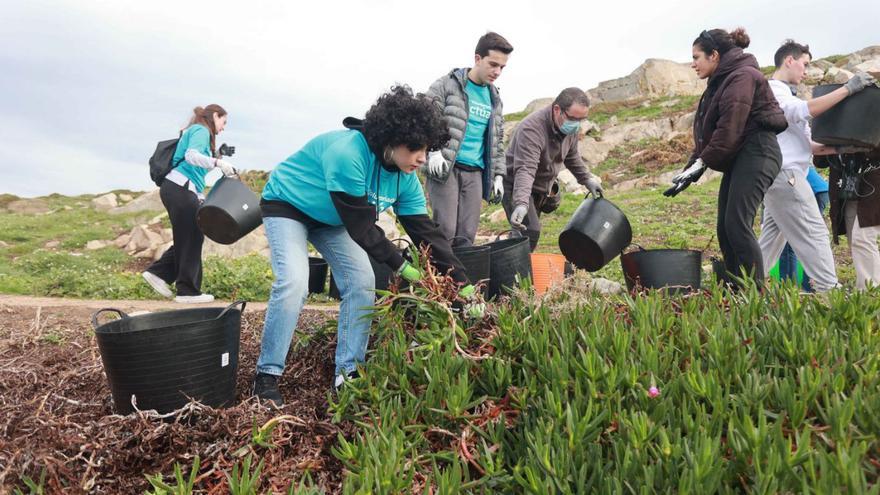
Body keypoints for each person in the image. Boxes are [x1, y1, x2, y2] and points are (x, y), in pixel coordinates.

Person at [253, 86, 482, 406]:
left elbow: (427, 234)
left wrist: (463, 284)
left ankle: (347, 375)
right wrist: (403, 267)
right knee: (294, 282)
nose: (421, 158)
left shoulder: (405, 177)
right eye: (416, 147)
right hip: (288, 205)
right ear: (392, 138)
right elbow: (362, 227)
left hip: (332, 220)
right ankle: (266, 376)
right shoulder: (348, 154)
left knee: (362, 282)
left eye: (427, 149)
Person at [669, 28, 788, 287]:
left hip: (758, 152)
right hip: (741, 157)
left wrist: (702, 163)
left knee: (737, 224)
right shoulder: (722, 81)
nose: (692, 64)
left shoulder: (742, 76)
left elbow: (730, 128)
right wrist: (692, 168)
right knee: (725, 228)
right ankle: (738, 290)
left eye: (696, 57)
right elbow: (711, 135)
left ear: (714, 55)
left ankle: (753, 295)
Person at [757, 39, 876, 292]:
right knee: (815, 233)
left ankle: (743, 289)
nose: (806, 71)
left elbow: (809, 145)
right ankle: (829, 291)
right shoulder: (773, 89)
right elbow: (801, 111)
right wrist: (848, 89)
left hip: (778, 176)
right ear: (789, 60)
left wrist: (847, 147)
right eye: (805, 64)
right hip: (787, 176)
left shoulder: (783, 93)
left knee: (770, 241)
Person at [142, 105, 238, 303]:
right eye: (223, 121)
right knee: (192, 236)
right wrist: (219, 163)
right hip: (179, 187)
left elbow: (196, 170)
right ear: (214, 116)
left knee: (191, 235)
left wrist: (218, 155)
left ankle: (159, 274)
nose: (223, 128)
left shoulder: (200, 132)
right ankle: (187, 291)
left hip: (181, 188)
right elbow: (191, 156)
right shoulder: (201, 130)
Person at [425, 32, 512, 247]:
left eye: (502, 67)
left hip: (476, 172)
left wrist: (498, 176)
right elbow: (425, 119)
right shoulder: (446, 85)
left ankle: (457, 280)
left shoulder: (495, 99)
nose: (497, 71)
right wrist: (433, 151)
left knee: (466, 234)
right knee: (445, 229)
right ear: (477, 59)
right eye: (493, 64)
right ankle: (434, 279)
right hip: (446, 167)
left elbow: (497, 140)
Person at [502, 87, 603, 252]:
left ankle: (517, 266)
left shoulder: (570, 127)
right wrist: (520, 202)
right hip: (517, 183)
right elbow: (526, 169)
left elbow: (572, 157)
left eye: (582, 120)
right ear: (557, 109)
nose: (576, 125)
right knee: (529, 230)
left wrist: (587, 179)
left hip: (541, 185)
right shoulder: (532, 129)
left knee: (525, 234)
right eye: (572, 118)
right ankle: (514, 272)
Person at [821, 148, 880, 289]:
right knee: (854, 240)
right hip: (850, 184)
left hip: (874, 181)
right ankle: (867, 290)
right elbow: (821, 161)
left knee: (862, 239)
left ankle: (870, 292)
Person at [776, 166, 830, 291]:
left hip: (812, 191)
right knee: (793, 242)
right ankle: (796, 287)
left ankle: (803, 287)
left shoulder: (775, 160)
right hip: (813, 190)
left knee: (795, 243)